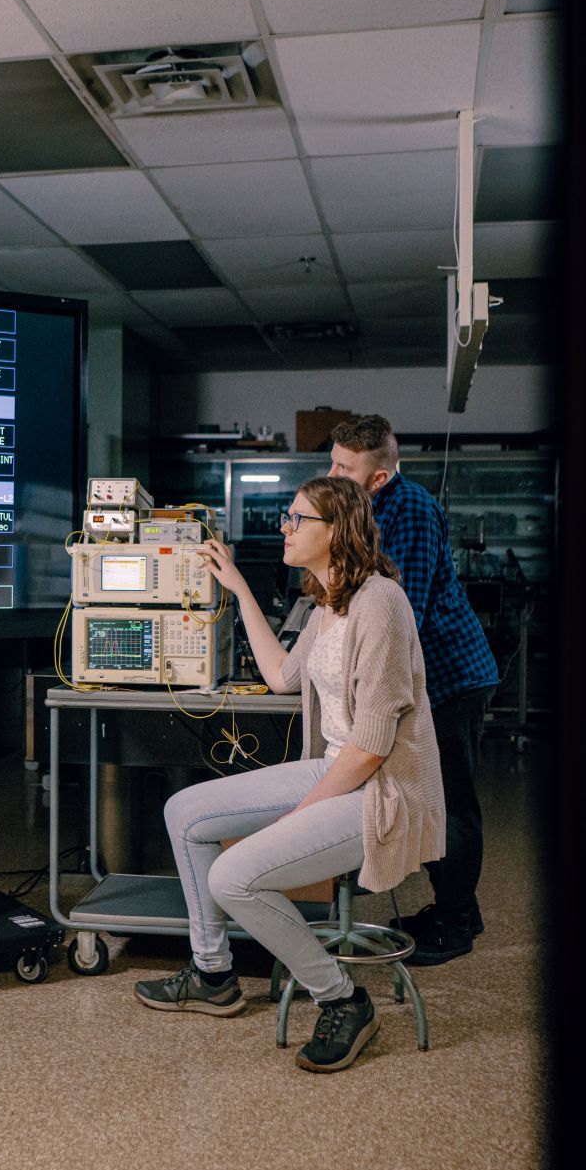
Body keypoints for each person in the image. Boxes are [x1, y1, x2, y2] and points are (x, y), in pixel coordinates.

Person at [133, 476, 445, 1073]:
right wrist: (240, 589)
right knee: (185, 813)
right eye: (288, 517)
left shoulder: (380, 601)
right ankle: (213, 973)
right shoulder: (330, 602)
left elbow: (372, 747)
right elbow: (281, 675)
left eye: (298, 519)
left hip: (382, 789)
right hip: (335, 768)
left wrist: (298, 816)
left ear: (339, 531)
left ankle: (343, 1000)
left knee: (234, 876)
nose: (286, 527)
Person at [328, 414, 500, 965]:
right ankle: (459, 907)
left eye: (344, 467)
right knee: (430, 800)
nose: (332, 473)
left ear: (378, 477)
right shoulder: (364, 508)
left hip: (451, 678)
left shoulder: (413, 510)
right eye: (332, 460)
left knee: (447, 804)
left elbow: (408, 610)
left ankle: (456, 924)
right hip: (419, 677)